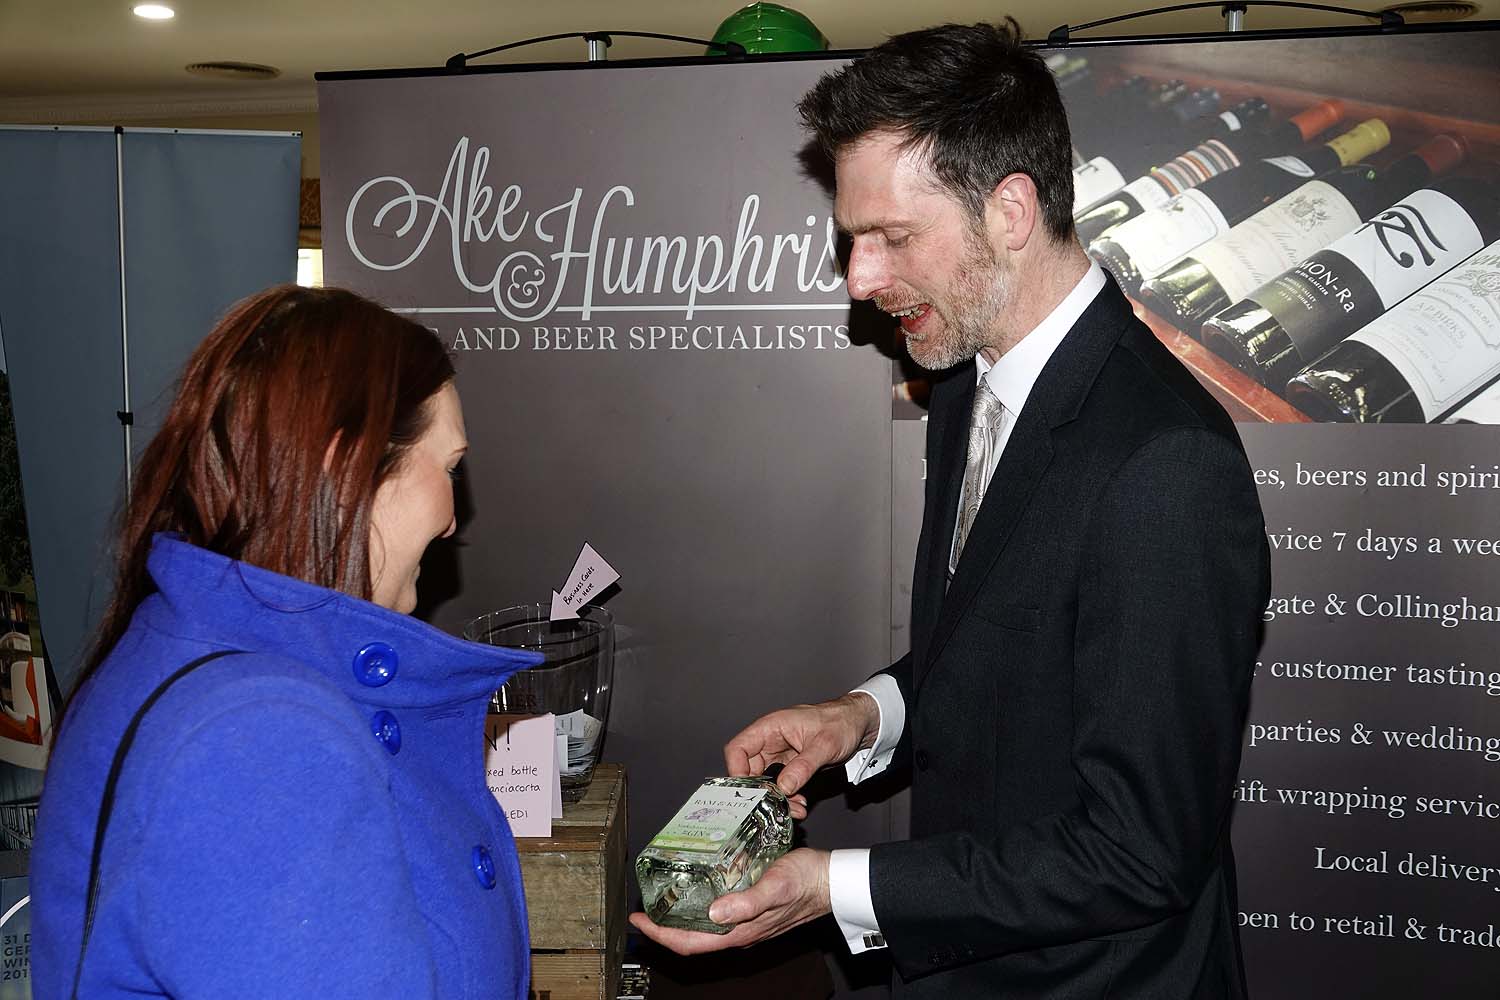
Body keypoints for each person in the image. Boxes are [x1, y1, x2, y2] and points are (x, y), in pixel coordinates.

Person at [630, 20, 1270, 999]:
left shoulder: (1165, 461)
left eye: (892, 238)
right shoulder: (968, 384)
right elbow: (1007, 649)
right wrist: (863, 716)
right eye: (852, 241)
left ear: (1010, 210)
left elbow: (1140, 850)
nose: (859, 279)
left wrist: (835, 888)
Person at [32, 285, 541, 999]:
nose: (454, 517)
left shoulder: (179, 655)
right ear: (349, 463)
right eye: (448, 468)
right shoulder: (261, 736)